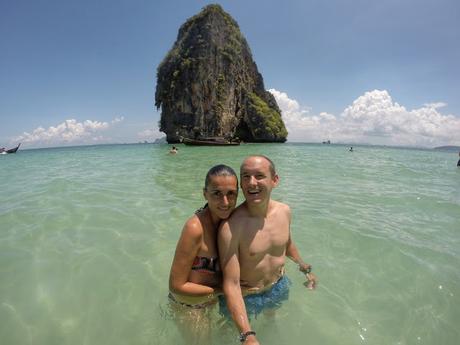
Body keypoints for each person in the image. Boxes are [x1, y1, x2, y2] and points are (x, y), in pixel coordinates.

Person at [218, 155, 317, 345]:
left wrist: (305, 270)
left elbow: (287, 244)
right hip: (246, 297)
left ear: (275, 180)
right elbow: (230, 284)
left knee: (271, 320)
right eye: (245, 177)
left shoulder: (285, 211)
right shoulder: (231, 227)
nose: (251, 183)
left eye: (259, 176)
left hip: (277, 286)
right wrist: (247, 335)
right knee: (227, 332)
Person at [168, 164, 238, 343]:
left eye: (231, 193)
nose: (225, 202)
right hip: (191, 305)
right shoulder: (195, 228)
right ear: (204, 194)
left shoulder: (234, 221)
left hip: (217, 301)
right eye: (216, 194)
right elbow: (176, 286)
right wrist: (223, 291)